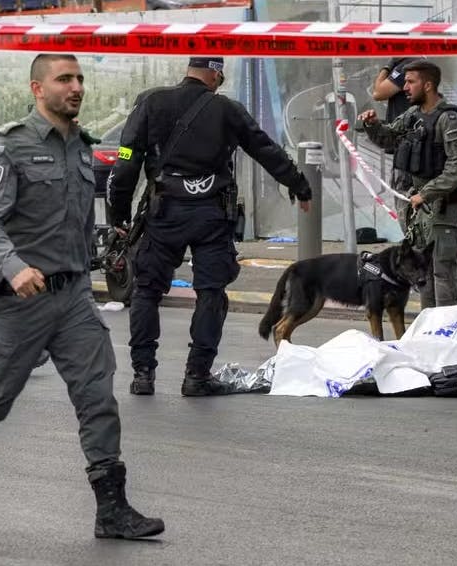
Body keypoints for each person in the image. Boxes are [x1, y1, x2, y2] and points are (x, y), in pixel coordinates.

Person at [0, 54, 164, 540]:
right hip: (21, 300)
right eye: (64, 79)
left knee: (98, 397)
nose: (76, 88)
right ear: (36, 88)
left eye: (79, 79)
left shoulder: (81, 147)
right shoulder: (10, 145)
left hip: (73, 296)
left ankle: (111, 508)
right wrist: (15, 269)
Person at [108, 57, 312, 397]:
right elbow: (264, 148)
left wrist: (119, 215)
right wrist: (298, 184)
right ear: (215, 73)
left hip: (164, 213)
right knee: (211, 292)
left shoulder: (150, 103)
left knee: (147, 290)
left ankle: (143, 374)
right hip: (211, 215)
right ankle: (197, 376)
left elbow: (126, 160)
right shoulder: (227, 109)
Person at [359, 60, 457, 309]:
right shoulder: (413, 115)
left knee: (442, 270)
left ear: (428, 85)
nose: (405, 87)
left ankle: (445, 330)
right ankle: (428, 329)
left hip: (440, 207)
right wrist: (371, 124)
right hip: (419, 207)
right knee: (423, 271)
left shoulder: (449, 120)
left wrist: (427, 194)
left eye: (410, 82)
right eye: (404, 82)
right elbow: (388, 136)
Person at [371, 57, 419, 229]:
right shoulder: (413, 62)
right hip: (404, 146)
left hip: (408, 149)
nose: (406, 87)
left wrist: (388, 65)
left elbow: (378, 92)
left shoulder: (406, 64)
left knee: (405, 205)